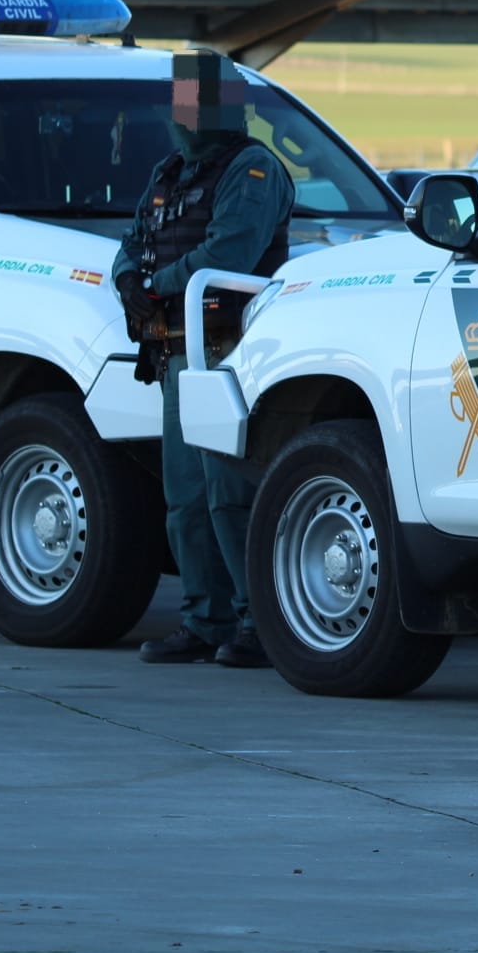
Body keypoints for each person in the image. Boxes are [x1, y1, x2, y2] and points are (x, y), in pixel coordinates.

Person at [112, 49, 294, 668]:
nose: (181, 114)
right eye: (180, 100)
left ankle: (258, 623)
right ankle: (204, 620)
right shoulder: (170, 173)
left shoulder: (253, 171)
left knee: (228, 495)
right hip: (177, 354)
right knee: (186, 498)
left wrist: (154, 282)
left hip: (229, 354)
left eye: (191, 100)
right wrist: (129, 282)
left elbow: (230, 256)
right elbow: (129, 245)